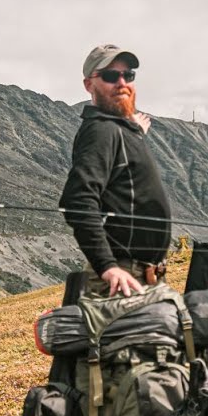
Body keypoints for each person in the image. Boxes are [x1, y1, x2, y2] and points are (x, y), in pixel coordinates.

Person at [59, 44, 171, 297]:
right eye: (110, 76)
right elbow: (78, 199)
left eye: (128, 75)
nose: (122, 82)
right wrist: (107, 266)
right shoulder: (101, 131)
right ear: (89, 85)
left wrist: (134, 133)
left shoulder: (118, 129)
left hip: (142, 274)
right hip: (123, 278)